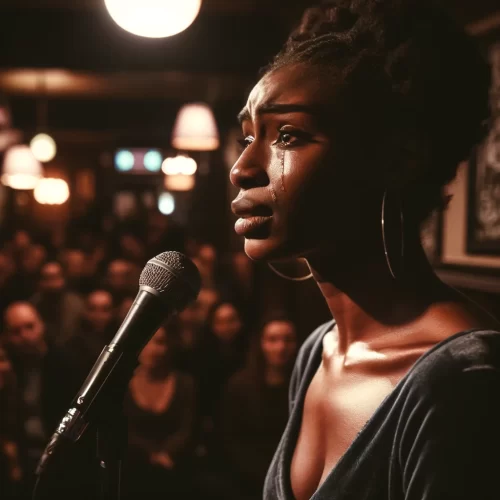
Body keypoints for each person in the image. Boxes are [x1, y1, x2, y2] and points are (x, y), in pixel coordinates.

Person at [230, 1, 499, 499]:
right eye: (250, 135)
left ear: (398, 160)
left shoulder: (463, 380)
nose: (243, 167)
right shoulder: (318, 352)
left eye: (287, 135)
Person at [219, 317, 298, 499]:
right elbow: (231, 440)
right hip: (248, 478)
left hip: (293, 474)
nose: (281, 347)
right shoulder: (239, 386)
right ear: (261, 343)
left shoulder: (305, 385)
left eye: (288, 339)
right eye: (273, 340)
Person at [124, 325, 197, 498]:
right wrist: (151, 455)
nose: (152, 349)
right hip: (132, 471)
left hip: (174, 469)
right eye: (147, 341)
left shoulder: (186, 384)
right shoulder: (122, 384)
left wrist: (167, 453)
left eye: (160, 342)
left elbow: (187, 429)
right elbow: (122, 431)